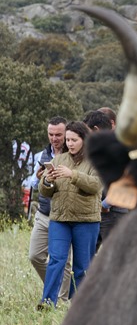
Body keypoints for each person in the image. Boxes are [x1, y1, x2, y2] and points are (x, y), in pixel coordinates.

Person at [37, 121, 103, 308]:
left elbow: (96, 185)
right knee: (56, 260)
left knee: (82, 266)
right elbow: (45, 191)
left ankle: (78, 305)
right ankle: (47, 302)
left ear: (84, 139)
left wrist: (72, 175)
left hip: (86, 220)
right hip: (60, 219)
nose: (70, 144)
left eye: (74, 140)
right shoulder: (59, 159)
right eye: (68, 140)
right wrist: (47, 181)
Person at [27, 116, 72, 302]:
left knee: (64, 261)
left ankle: (61, 301)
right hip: (44, 213)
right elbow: (32, 183)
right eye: (51, 134)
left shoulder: (74, 154)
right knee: (35, 256)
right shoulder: (42, 155)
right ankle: (54, 286)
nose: (54, 138)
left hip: (65, 215)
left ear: (66, 134)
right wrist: (40, 178)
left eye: (58, 135)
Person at [84, 109, 128, 249]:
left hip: (113, 212)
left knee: (115, 255)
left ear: (96, 130)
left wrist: (104, 205)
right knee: (89, 255)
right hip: (98, 212)